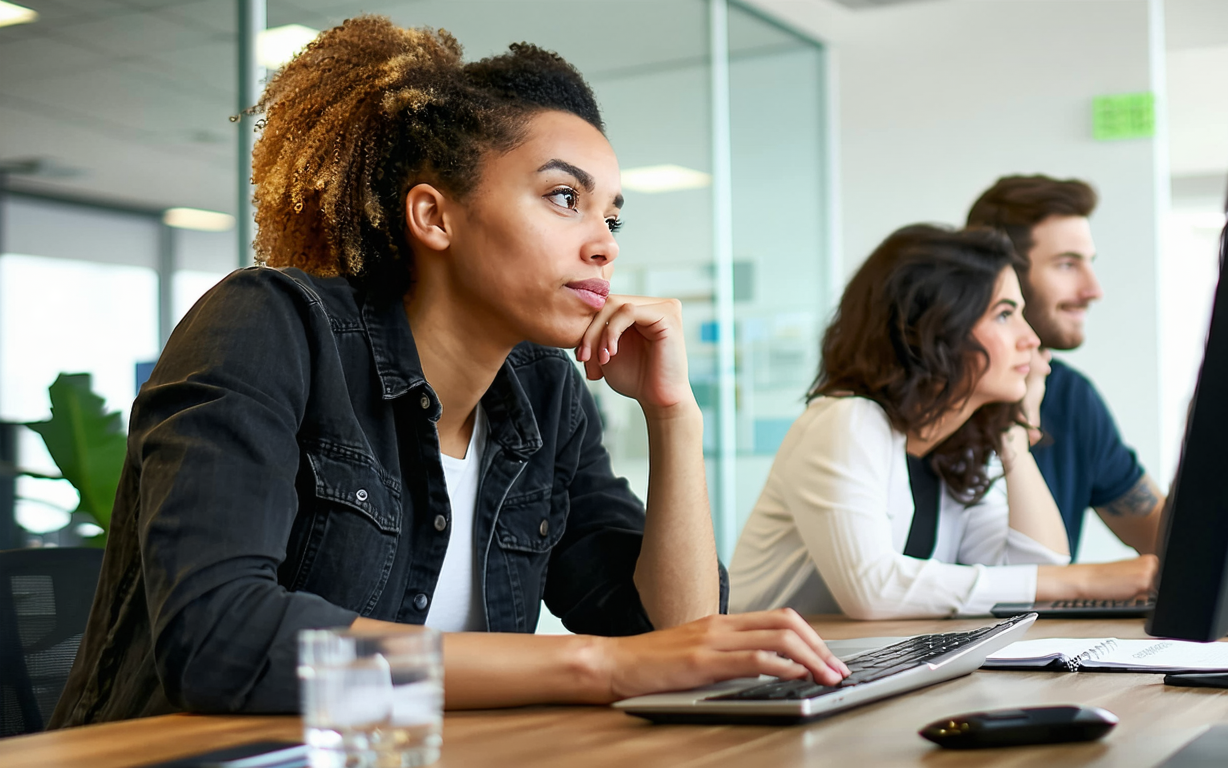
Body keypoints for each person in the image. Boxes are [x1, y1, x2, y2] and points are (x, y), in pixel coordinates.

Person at [50, 16, 850, 727]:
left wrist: (674, 416)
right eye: (564, 197)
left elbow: (671, 638)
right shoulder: (270, 328)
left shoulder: (544, 393)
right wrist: (592, 667)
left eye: (611, 214)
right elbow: (221, 637)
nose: (604, 241)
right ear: (435, 215)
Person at [728, 226, 1157, 620]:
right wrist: (1087, 580)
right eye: (1005, 315)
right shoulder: (845, 420)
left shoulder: (961, 443)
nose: (1031, 338)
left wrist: (1013, 438)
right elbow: (872, 590)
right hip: (755, 685)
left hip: (850, 676)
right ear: (935, 329)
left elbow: (1033, 574)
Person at [966, 175, 1165, 559]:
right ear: (1000, 274)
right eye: (1067, 265)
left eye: (1088, 263)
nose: (1094, 289)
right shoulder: (938, 404)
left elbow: (1162, 538)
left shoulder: (1071, 396)